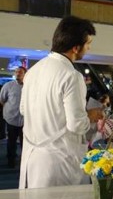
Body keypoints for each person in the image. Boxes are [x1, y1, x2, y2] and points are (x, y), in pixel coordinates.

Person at [19, 16, 104, 189]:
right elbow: (77, 125)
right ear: (76, 48)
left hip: (32, 157)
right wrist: (90, 115)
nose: (89, 48)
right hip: (59, 161)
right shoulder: (71, 75)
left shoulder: (33, 71)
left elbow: (23, 110)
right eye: (88, 43)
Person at [0, 67, 26, 168]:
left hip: (25, 121)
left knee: (25, 142)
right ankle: (11, 160)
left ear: (25, 74)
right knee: (11, 141)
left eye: (20, 72)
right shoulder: (8, 86)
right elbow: (2, 100)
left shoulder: (29, 86)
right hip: (11, 119)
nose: (17, 74)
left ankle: (24, 161)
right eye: (16, 72)